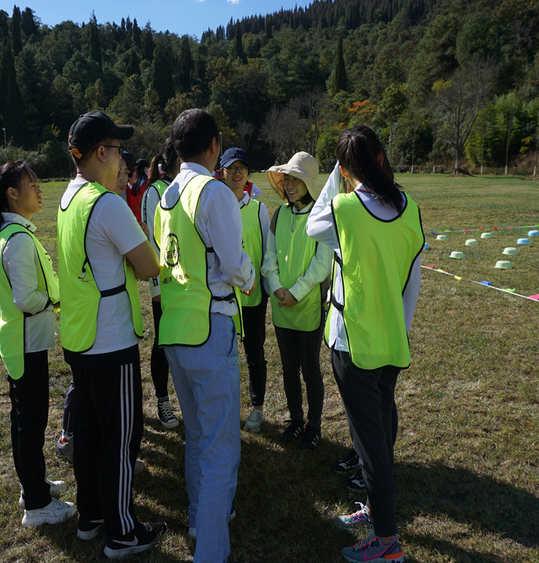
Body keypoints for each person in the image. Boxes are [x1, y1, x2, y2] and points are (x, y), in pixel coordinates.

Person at [307, 125, 423, 563]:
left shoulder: (344, 208)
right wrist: (401, 329)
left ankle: (387, 542)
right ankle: (375, 511)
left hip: (351, 345)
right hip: (391, 342)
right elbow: (413, 280)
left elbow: (312, 228)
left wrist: (337, 181)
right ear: (380, 157)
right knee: (380, 428)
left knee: (369, 444)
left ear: (344, 168)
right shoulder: (410, 208)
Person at [57, 110, 167, 558]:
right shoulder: (106, 203)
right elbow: (149, 266)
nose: (124, 161)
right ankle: (122, 532)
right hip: (111, 341)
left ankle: (92, 516)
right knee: (118, 440)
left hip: (80, 338)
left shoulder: (69, 198)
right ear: (101, 152)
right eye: (119, 150)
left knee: (88, 434)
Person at [155, 108, 254, 563]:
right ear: (214, 144)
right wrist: (251, 278)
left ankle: (199, 520)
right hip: (210, 330)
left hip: (175, 330)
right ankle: (211, 550)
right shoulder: (213, 191)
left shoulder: (166, 195)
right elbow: (235, 265)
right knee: (220, 447)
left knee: (197, 437)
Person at [0, 160, 74, 527]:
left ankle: (34, 485)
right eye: (31, 184)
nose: (39, 189)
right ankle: (36, 505)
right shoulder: (17, 240)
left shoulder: (16, 233)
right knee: (29, 425)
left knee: (26, 420)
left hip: (24, 342)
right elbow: (25, 298)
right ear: (11, 194)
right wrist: (53, 299)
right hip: (25, 344)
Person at [261, 151, 332, 450]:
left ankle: (314, 426)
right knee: (289, 368)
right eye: (287, 179)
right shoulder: (279, 214)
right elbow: (270, 257)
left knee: (310, 369)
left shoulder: (322, 215)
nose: (289, 185)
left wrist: (296, 292)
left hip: (308, 306)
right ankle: (295, 419)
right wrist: (277, 288)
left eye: (296, 179)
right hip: (281, 307)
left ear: (309, 183)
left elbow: (321, 264)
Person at [216, 147, 270, 432]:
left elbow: (266, 251)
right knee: (224, 356)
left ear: (248, 174)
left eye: (242, 168)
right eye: (230, 168)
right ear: (221, 172)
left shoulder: (259, 209)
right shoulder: (214, 205)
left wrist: (262, 285)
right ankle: (227, 408)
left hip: (253, 298)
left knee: (254, 353)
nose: (236, 173)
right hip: (223, 299)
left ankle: (257, 407)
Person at [141, 139, 182, 430]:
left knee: (179, 339)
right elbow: (154, 241)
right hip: (164, 282)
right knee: (162, 341)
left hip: (183, 282)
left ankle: (183, 399)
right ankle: (162, 401)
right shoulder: (154, 191)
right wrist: (156, 286)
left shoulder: (180, 187)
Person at [126, 157, 150, 223]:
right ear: (143, 169)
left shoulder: (134, 185)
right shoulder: (147, 183)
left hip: (136, 219)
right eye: (147, 168)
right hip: (146, 218)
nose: (148, 170)